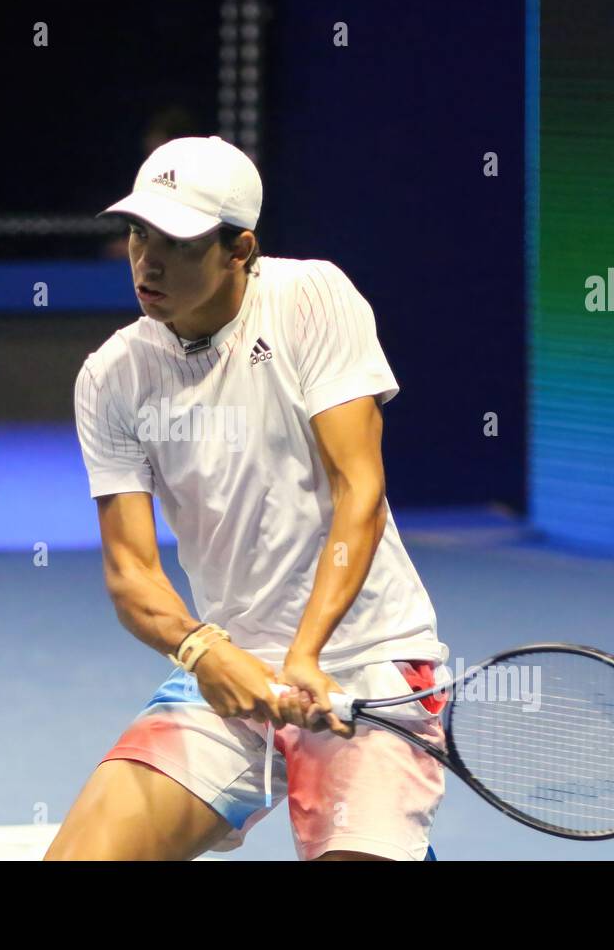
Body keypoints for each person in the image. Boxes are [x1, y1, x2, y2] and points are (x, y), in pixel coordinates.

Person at [47, 136, 449, 861]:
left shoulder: (307, 299)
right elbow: (131, 575)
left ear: (241, 249)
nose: (149, 259)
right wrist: (204, 651)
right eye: (140, 233)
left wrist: (307, 650)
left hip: (364, 668)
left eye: (179, 242)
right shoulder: (113, 375)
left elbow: (359, 488)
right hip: (227, 673)